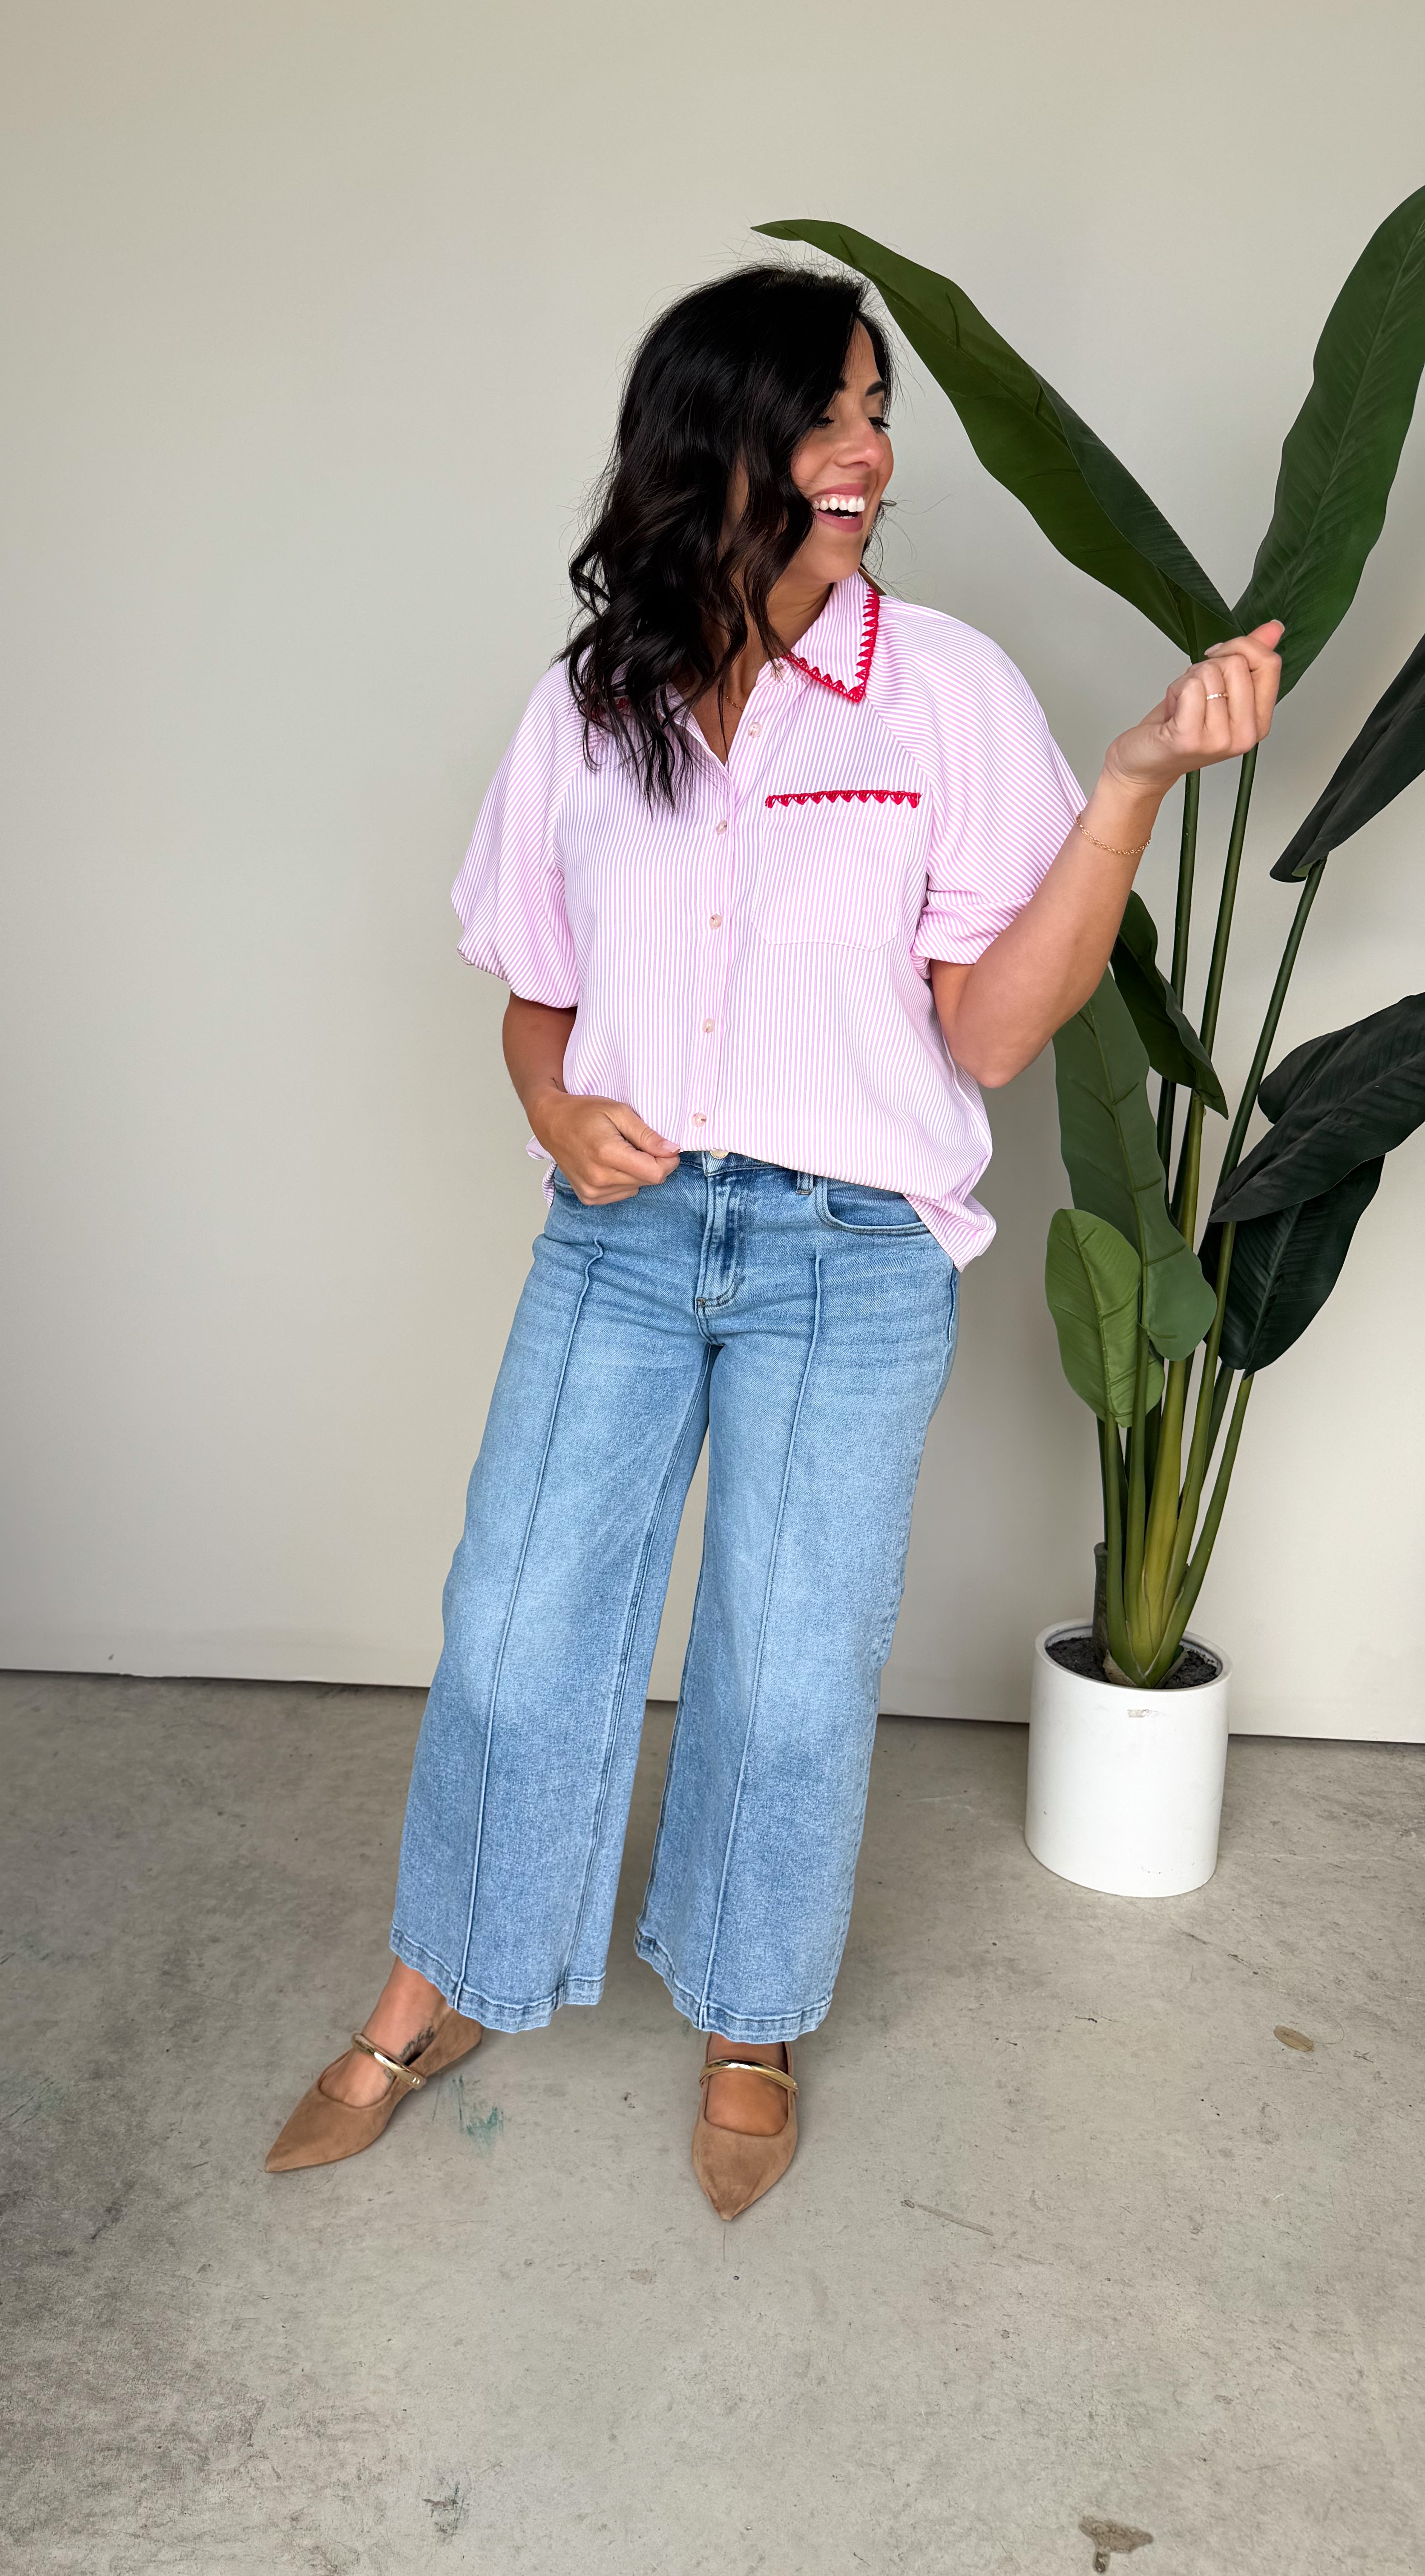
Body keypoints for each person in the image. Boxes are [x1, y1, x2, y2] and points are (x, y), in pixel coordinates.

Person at [267, 265, 1281, 2217]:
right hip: (622, 1241)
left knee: (788, 1672)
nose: (864, 450)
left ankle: (750, 2016)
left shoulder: (945, 690)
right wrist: (556, 1114)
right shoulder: (595, 702)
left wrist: (1133, 785)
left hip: (846, 1258)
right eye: (824, 412)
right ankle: (436, 1983)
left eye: (875, 412)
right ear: (710, 438)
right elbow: (537, 995)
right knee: (512, 1634)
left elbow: (992, 1034)